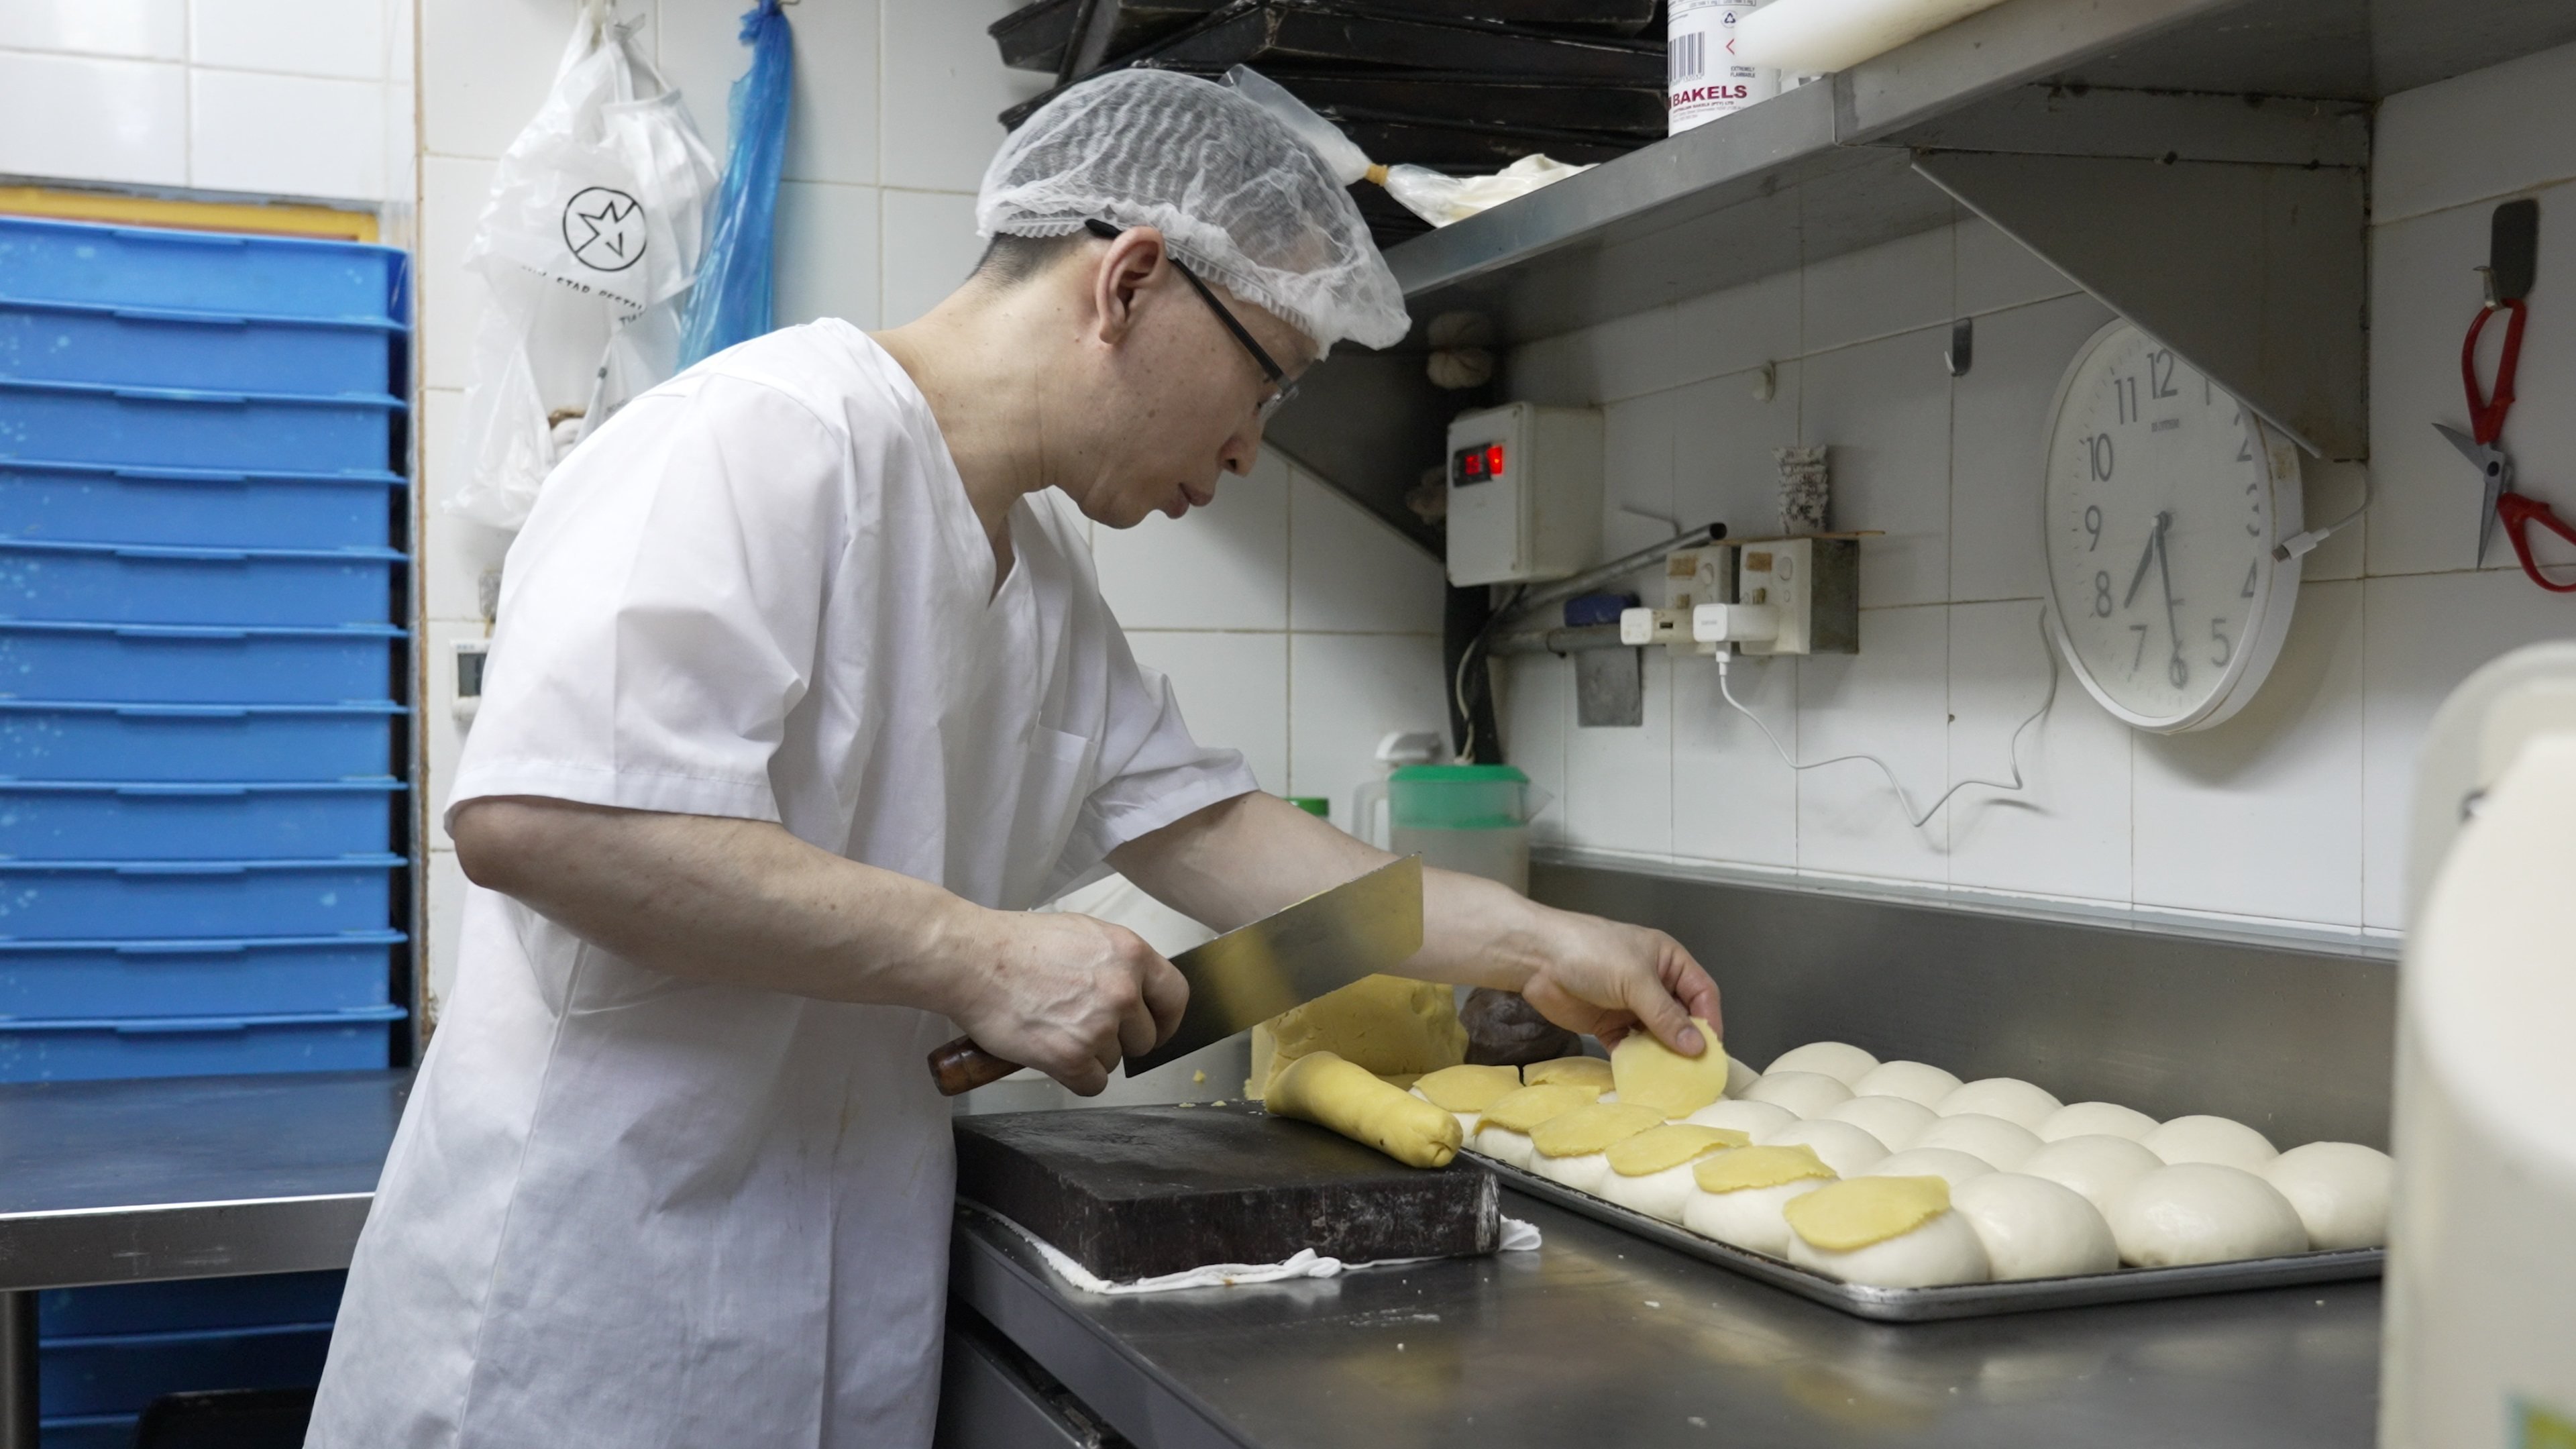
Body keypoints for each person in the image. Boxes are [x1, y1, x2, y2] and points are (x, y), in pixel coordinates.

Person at [307, 69, 1721, 1448]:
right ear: (1130, 282)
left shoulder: (1033, 568)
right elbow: (540, 819)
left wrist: (1544, 941)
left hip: (828, 1297)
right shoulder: (759, 438)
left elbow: (1221, 838)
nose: (1248, 452)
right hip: (582, 1314)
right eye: (1266, 385)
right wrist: (979, 955)